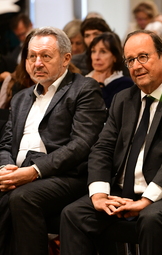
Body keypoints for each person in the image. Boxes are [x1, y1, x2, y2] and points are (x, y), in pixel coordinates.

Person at [60, 30, 162, 255]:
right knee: (74, 214)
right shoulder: (123, 99)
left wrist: (146, 200)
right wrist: (99, 194)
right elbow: (102, 148)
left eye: (143, 57)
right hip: (120, 190)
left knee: (152, 218)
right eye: (131, 60)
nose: (136, 66)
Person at [0, 26, 107, 255]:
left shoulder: (83, 89)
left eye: (45, 56)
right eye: (32, 56)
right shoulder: (20, 98)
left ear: (66, 58)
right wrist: (5, 170)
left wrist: (35, 171)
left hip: (65, 175)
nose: (37, 63)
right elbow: (6, 144)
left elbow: (82, 144)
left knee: (21, 198)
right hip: (19, 171)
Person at [86, 32, 133, 108]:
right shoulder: (82, 80)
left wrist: (100, 85)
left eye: (103, 52)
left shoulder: (125, 84)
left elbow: (108, 110)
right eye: (93, 51)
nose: (96, 57)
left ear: (115, 57)